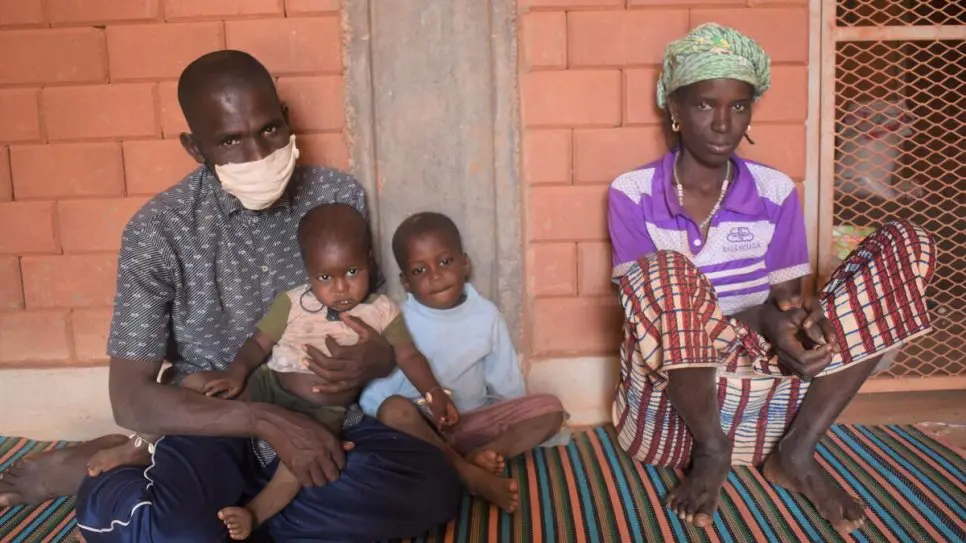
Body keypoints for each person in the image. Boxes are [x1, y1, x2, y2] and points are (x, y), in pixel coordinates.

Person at [0, 50, 461, 542]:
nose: (258, 154)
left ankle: (218, 505)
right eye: (230, 141)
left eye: (268, 130)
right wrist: (265, 420)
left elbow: (372, 315)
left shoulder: (335, 197)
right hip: (209, 422)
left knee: (434, 489)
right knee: (182, 536)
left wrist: (376, 358)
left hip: (320, 415)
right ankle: (112, 483)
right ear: (196, 149)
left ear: (286, 121)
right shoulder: (158, 231)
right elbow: (131, 396)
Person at [607, 24, 934, 533]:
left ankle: (797, 453)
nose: (722, 124)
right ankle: (712, 450)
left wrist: (801, 322)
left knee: (906, 244)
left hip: (760, 359)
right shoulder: (632, 193)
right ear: (673, 108)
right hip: (677, 375)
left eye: (738, 106)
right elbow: (642, 307)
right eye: (703, 105)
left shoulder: (775, 190)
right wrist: (759, 317)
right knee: (669, 272)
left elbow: (783, 302)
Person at [83, 203, 461, 540]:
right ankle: (144, 444)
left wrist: (433, 393)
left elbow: (408, 356)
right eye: (325, 278)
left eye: (352, 271)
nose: (341, 287)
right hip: (263, 389)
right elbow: (259, 344)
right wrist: (234, 373)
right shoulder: (293, 301)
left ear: (369, 262)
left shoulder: (380, 309)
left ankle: (252, 513)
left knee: (313, 467)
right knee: (199, 385)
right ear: (309, 273)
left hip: (322, 414)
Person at [360, 212, 568, 514]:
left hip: (474, 424)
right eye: (420, 270)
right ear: (406, 281)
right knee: (393, 410)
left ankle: (485, 456)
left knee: (552, 409)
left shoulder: (486, 315)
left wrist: (516, 420)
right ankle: (469, 474)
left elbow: (505, 381)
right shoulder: (398, 322)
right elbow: (378, 397)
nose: (435, 275)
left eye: (445, 262)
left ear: (465, 263)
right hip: (424, 429)